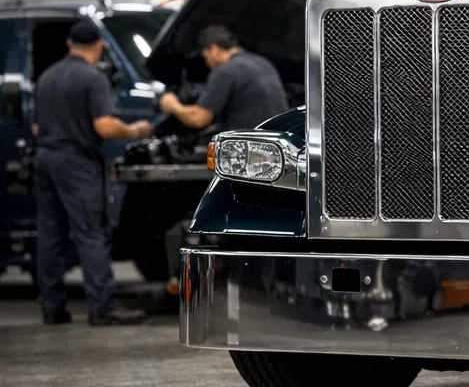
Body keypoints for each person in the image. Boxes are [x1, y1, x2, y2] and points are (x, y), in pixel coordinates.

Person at [32, 18, 153, 325]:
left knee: (50, 235)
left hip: (45, 158)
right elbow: (105, 126)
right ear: (99, 46)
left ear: (69, 44)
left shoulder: (46, 77)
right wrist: (136, 131)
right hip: (76, 162)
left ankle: (52, 308)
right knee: (90, 233)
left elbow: (35, 126)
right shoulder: (91, 78)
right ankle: (103, 308)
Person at [156, 25, 287, 134]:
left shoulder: (225, 71)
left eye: (205, 57)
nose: (207, 63)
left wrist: (173, 106)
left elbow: (199, 119)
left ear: (214, 49)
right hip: (278, 143)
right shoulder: (263, 63)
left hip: (251, 149)